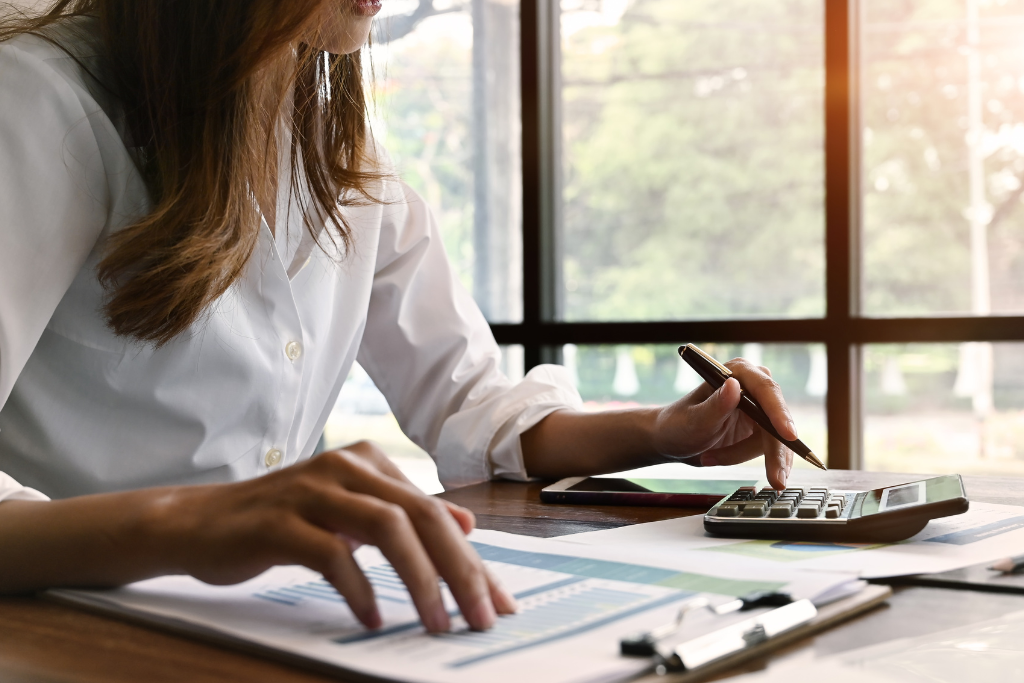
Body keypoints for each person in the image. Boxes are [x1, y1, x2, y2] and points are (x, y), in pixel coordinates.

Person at [0, 0, 799, 634]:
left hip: (259, 628)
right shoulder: (37, 103)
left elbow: (472, 406)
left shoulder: (338, 157)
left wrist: (661, 428)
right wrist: (194, 522)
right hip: (61, 635)